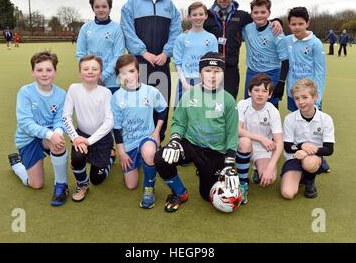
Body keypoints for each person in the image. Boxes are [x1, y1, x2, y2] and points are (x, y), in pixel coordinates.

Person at [154, 52, 239, 213]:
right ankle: (180, 193)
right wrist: (174, 141)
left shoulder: (228, 100)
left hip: (215, 151)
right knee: (161, 158)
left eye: (217, 71)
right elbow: (179, 122)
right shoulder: (189, 95)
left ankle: (207, 171)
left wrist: (229, 164)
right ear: (200, 72)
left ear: (223, 74)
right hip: (191, 144)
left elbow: (232, 134)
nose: (212, 76)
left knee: (207, 196)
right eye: (208, 70)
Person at [120, 0, 181, 141]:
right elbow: (127, 30)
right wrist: (144, 52)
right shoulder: (132, 3)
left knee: (160, 104)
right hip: (139, 64)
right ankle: (137, 142)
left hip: (161, 63)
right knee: (138, 104)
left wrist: (165, 53)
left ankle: (157, 140)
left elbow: (176, 31)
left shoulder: (170, 5)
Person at [7, 51, 69, 206]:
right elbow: (25, 122)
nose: (44, 74)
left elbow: (61, 119)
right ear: (33, 72)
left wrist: (57, 133)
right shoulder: (25, 92)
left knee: (58, 141)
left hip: (47, 138)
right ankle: (17, 164)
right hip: (27, 139)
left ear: (55, 71)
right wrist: (49, 133)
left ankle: (61, 187)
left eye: (48, 70)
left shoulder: (61, 94)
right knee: (36, 184)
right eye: (39, 70)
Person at [204, 0, 283, 99]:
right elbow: (197, 28)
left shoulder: (241, 16)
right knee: (208, 102)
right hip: (211, 68)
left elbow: (260, 19)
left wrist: (277, 21)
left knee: (228, 103)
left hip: (231, 69)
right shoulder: (206, 16)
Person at [111, 54, 168, 209]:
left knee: (149, 152)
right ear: (119, 75)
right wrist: (121, 152)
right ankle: (141, 163)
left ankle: (149, 189)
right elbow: (116, 128)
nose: (128, 76)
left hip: (146, 138)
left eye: (131, 71)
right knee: (131, 185)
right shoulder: (116, 97)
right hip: (128, 144)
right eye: (123, 73)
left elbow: (163, 110)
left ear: (138, 72)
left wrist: (156, 132)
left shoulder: (150, 91)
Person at [62, 55, 115, 202]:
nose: (90, 71)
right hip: (80, 136)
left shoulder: (106, 93)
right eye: (85, 69)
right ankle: (83, 185)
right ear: (80, 72)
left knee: (97, 179)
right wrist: (75, 138)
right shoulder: (73, 89)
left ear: (100, 72)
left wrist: (89, 141)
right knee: (77, 159)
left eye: (94, 69)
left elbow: (109, 121)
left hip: (101, 139)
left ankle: (110, 157)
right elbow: (66, 116)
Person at [285, 7, 330, 173]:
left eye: (300, 24)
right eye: (293, 24)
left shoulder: (315, 43)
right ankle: (297, 156)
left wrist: (317, 97)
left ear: (307, 23)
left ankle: (320, 159)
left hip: (310, 95)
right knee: (297, 124)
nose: (297, 27)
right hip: (293, 92)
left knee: (315, 128)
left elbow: (320, 71)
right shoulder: (288, 41)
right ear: (289, 24)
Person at [280, 79, 335, 199]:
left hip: (313, 157)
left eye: (305, 97)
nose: (301, 102)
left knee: (309, 163)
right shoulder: (290, 119)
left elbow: (329, 149)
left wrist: (306, 151)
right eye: (297, 98)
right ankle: (302, 176)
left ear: (315, 96)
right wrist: (301, 146)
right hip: (294, 157)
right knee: (287, 194)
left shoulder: (326, 119)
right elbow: (288, 147)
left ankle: (310, 181)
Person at [237, 73, 283, 204]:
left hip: (262, 149)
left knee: (270, 178)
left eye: (264, 91)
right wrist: (261, 138)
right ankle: (243, 183)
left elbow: (279, 143)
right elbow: (237, 130)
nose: (260, 94)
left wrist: (270, 168)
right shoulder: (242, 105)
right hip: (242, 144)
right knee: (245, 142)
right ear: (249, 92)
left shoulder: (273, 111)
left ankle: (257, 170)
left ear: (270, 95)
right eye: (256, 90)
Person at [242, 0, 288, 108]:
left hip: (271, 73)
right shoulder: (247, 28)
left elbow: (285, 61)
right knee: (249, 106)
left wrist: (281, 82)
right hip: (252, 72)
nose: (259, 15)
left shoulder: (276, 32)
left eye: (263, 12)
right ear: (251, 14)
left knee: (270, 107)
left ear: (269, 13)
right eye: (256, 12)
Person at [77, 0, 125, 94]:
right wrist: (91, 74)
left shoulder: (117, 29)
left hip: (111, 82)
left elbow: (118, 56)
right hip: (90, 80)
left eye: (104, 6)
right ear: (93, 9)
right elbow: (80, 54)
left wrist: (102, 76)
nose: (101, 10)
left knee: (111, 110)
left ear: (110, 8)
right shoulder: (85, 28)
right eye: (97, 7)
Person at [173, 1, 218, 103]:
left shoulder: (211, 38)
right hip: (184, 81)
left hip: (204, 82)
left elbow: (213, 63)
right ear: (189, 17)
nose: (198, 17)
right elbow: (177, 63)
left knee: (201, 116)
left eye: (201, 14)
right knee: (181, 117)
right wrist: (184, 83)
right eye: (194, 15)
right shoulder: (181, 38)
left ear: (206, 16)